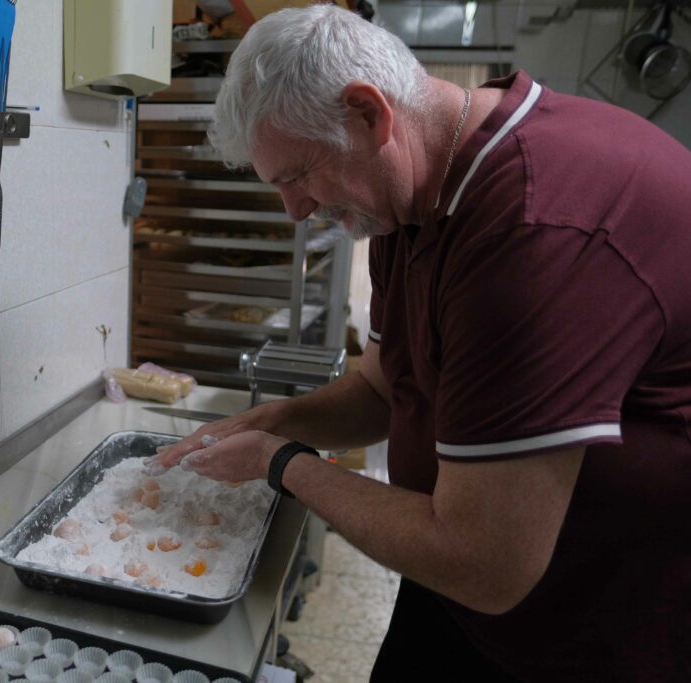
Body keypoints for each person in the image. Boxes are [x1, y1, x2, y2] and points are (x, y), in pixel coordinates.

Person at [146, 5, 691, 681]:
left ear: (369, 113)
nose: (295, 211)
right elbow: (383, 386)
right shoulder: (410, 199)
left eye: (296, 175)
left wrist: (282, 461)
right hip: (456, 584)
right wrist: (265, 420)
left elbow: (489, 563)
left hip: (589, 626)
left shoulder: (532, 230)